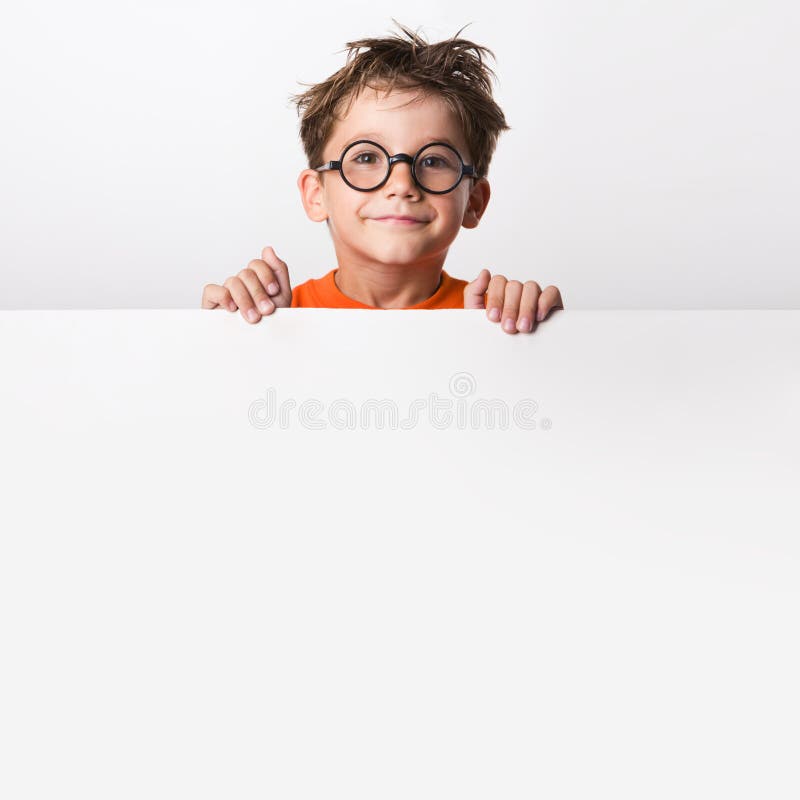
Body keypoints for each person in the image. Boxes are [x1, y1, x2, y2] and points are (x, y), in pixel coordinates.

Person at [201, 21, 564, 335]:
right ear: (316, 194)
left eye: (434, 161)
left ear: (474, 201)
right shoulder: (278, 315)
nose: (402, 185)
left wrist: (538, 343)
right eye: (366, 157)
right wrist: (242, 339)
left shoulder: (497, 319)